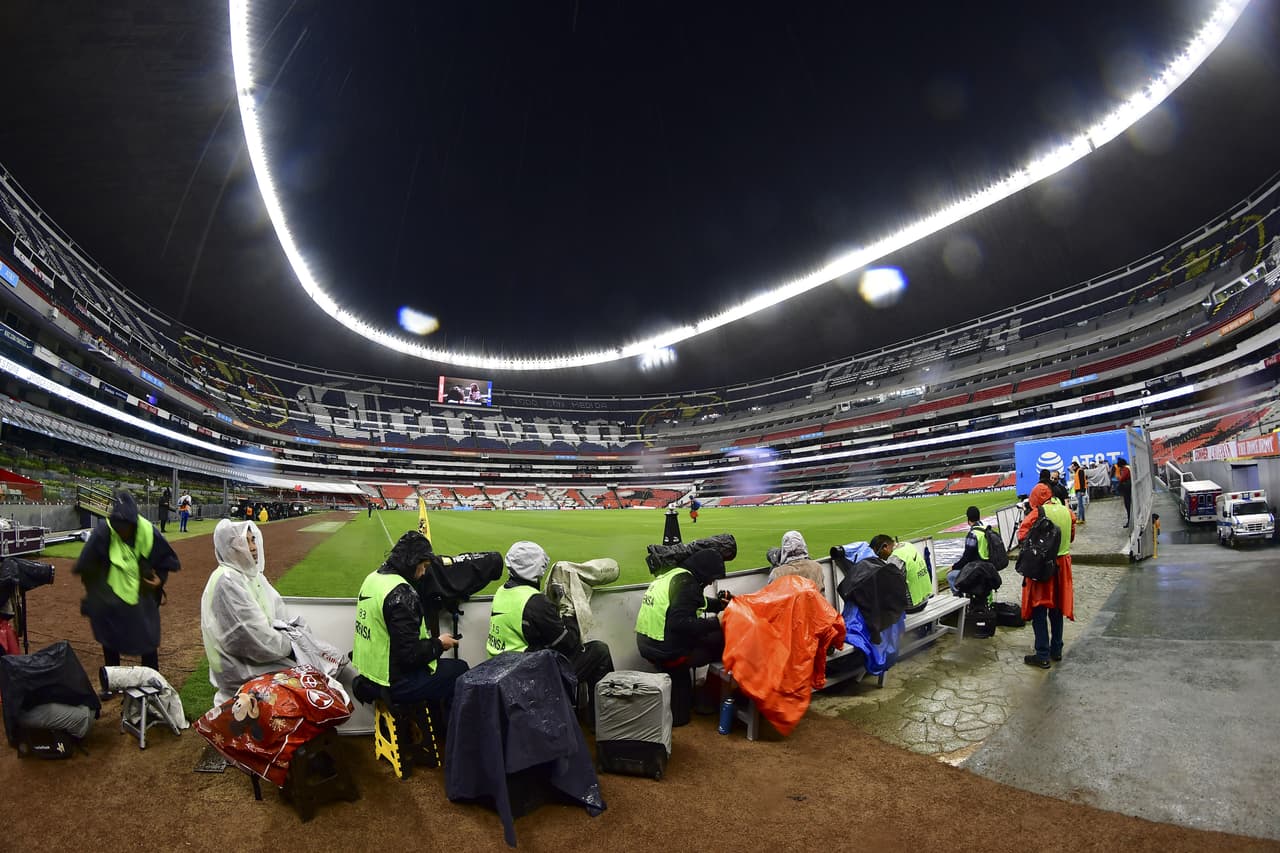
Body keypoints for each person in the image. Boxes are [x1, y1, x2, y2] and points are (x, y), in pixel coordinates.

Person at [486, 541, 614, 712]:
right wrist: (569, 610)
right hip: (528, 675)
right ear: (538, 569)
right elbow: (568, 643)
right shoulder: (535, 601)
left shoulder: (502, 591)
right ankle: (602, 720)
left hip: (503, 670)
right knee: (599, 651)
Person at [352, 530, 468, 706]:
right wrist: (439, 644)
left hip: (369, 675)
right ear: (413, 562)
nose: (423, 573)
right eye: (424, 566)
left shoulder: (372, 579)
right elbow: (410, 656)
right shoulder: (401, 592)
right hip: (394, 681)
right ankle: (453, 732)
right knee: (460, 669)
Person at [73, 490, 180, 675]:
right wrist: (95, 592)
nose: (120, 530)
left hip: (141, 590)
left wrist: (159, 580)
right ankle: (112, 679)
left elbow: (167, 560)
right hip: (111, 589)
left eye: (125, 526)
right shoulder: (104, 532)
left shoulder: (148, 531)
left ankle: (151, 678)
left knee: (147, 634)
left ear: (133, 523)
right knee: (108, 633)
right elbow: (86, 564)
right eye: (117, 525)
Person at [200, 519, 294, 705]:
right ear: (229, 548)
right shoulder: (227, 581)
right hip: (239, 667)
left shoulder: (253, 577)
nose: (253, 547)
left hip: (257, 657)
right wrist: (289, 646)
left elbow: (279, 613)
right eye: (245, 541)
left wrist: (290, 638)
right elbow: (248, 638)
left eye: (253, 540)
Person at [635, 548, 729, 726]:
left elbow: (691, 602)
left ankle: (692, 694)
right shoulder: (689, 584)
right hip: (666, 650)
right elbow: (680, 623)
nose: (710, 583)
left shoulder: (675, 575)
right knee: (720, 642)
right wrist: (716, 622)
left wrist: (718, 605)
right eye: (711, 578)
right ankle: (710, 695)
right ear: (704, 572)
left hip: (648, 643)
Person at [1016, 483, 1076, 669]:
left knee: (1039, 608)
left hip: (1043, 567)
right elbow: (1072, 536)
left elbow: (1022, 536)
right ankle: (1056, 649)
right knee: (1057, 608)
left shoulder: (1038, 513)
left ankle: (1042, 653)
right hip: (1063, 565)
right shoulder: (1067, 512)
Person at [947, 506, 988, 594]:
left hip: (978, 568)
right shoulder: (985, 529)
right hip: (988, 566)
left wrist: (953, 567)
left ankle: (960, 601)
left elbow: (966, 558)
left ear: (968, 519)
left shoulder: (973, 534)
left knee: (951, 576)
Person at [889, 539, 932, 612]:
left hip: (912, 606)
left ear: (885, 547)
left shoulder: (895, 558)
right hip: (925, 599)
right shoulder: (908, 545)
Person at [1115, 457, 1133, 528]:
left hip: (1127, 489)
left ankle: (1129, 521)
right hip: (1128, 488)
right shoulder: (1128, 467)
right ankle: (1129, 521)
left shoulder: (1126, 469)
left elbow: (1122, 478)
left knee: (1128, 505)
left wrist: (1119, 478)